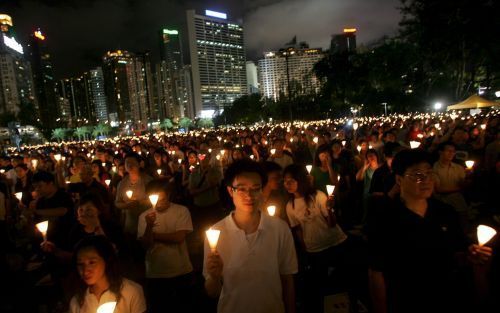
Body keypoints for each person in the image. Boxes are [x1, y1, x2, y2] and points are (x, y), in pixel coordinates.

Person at [367, 149, 493, 313]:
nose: (426, 180)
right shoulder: (385, 218)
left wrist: (472, 255)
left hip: (445, 296)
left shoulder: (445, 212)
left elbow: (457, 251)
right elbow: (376, 272)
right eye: (417, 175)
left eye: (429, 173)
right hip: (405, 300)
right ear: (399, 179)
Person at [204, 159, 298, 313]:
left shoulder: (279, 229)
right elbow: (212, 292)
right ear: (230, 191)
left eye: (255, 188)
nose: (249, 195)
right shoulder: (216, 233)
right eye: (241, 189)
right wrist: (214, 277)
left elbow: (287, 279)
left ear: (262, 190)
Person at [283, 164, 348, 313]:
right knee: (321, 285)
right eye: (285, 181)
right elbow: (298, 230)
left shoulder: (318, 196)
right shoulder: (289, 206)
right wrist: (305, 248)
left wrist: (330, 209)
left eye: (291, 180)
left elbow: (332, 224)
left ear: (300, 180)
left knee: (341, 282)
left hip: (335, 242)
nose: (288, 184)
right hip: (315, 249)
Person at [137, 178, 194, 313]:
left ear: (168, 195)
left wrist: (154, 235)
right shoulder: (144, 217)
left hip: (181, 270)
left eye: (162, 199)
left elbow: (179, 237)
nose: (160, 203)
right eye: (156, 200)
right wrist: (149, 226)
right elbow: (145, 245)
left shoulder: (181, 211)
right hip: (155, 272)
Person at [70, 235, 146, 313]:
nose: (85, 271)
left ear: (106, 260)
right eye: (80, 264)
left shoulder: (131, 292)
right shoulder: (77, 302)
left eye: (92, 262)